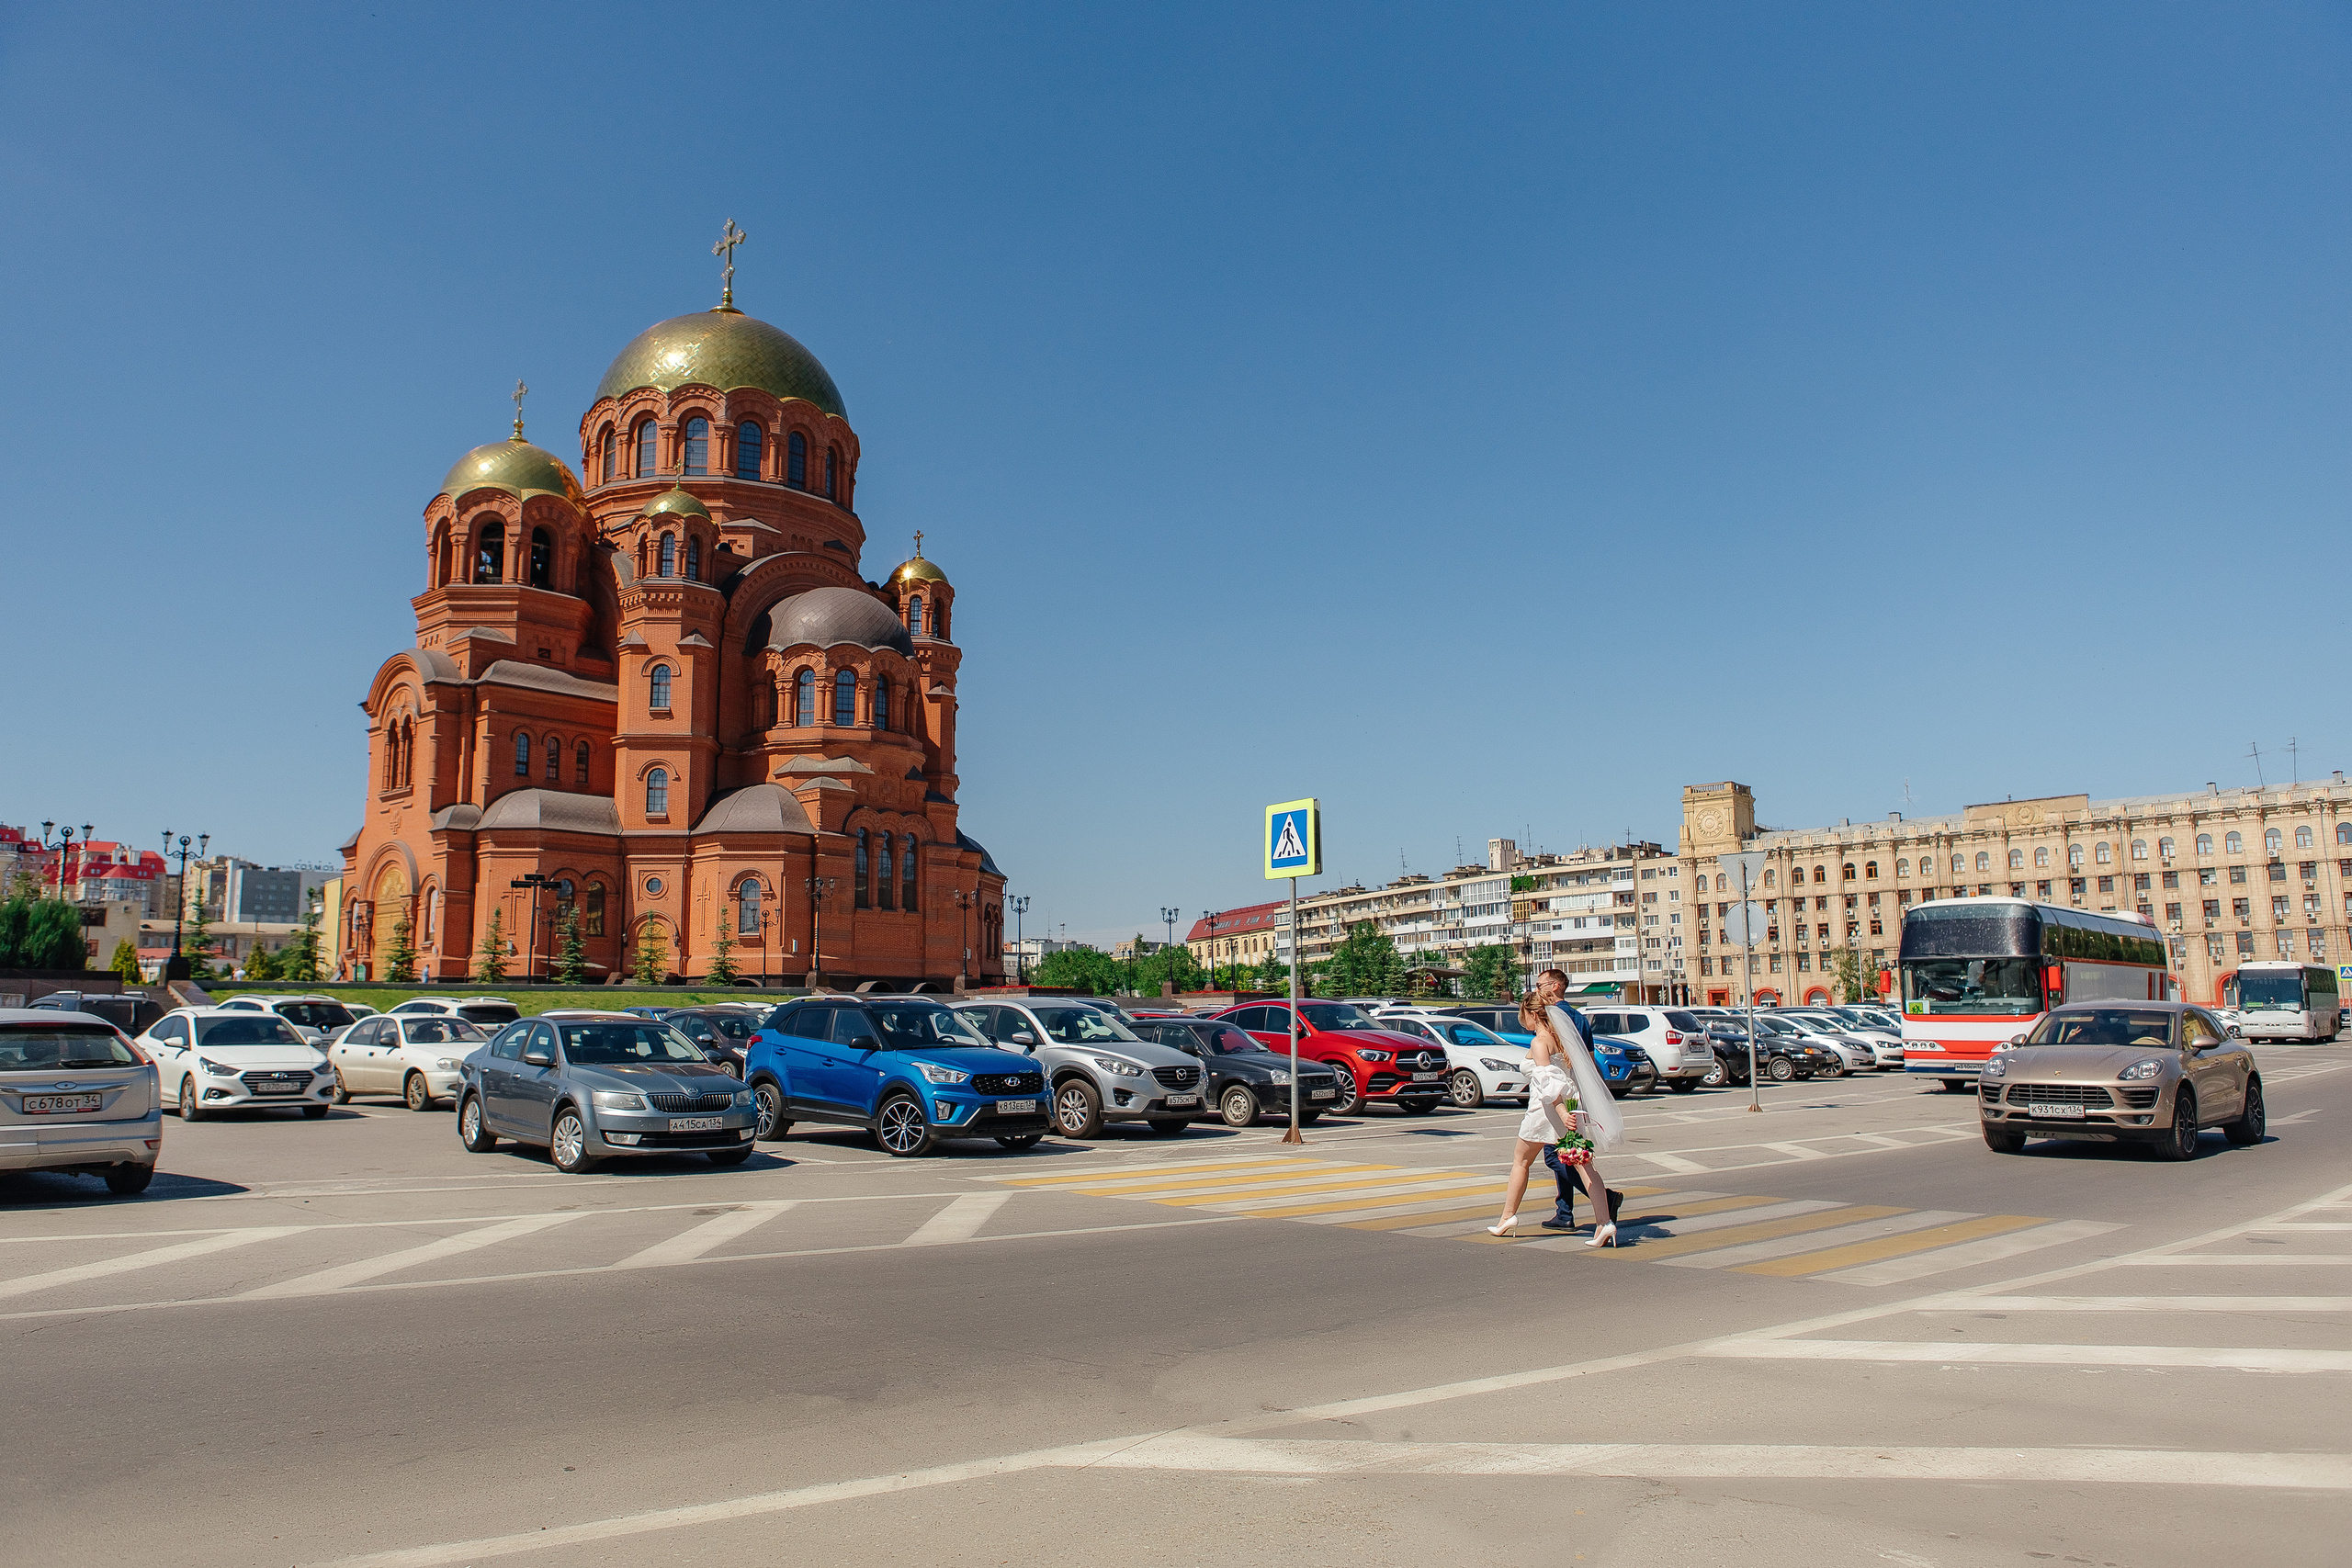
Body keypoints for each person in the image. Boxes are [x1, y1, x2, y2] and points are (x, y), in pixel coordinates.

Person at [1489, 968, 1626, 1245]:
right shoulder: (1563, 1038)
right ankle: (1605, 1222)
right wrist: (1569, 1110)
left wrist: (1562, 1113)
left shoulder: (1540, 1042)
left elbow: (1547, 1082)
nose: (1522, 1021)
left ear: (1533, 1014)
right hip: (1570, 1105)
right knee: (1585, 1165)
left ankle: (1507, 1217)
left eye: (1523, 1016)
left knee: (1521, 1161)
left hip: (1547, 1110)